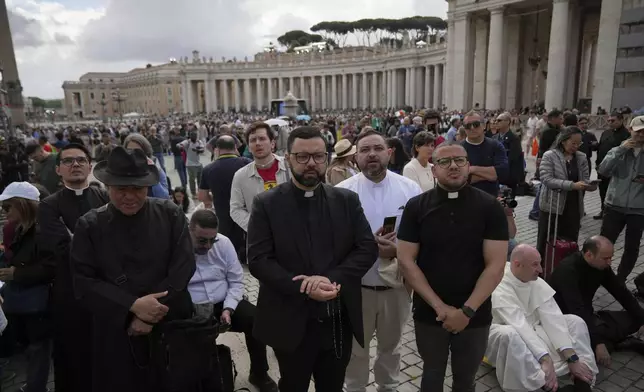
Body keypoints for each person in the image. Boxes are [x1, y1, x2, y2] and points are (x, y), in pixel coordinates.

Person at [247, 126, 378, 392]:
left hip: (336, 317)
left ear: (327, 158)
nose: (311, 164)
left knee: (332, 385)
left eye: (318, 157)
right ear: (287, 158)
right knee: (293, 385)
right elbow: (259, 260)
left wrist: (330, 280)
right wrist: (305, 287)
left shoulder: (346, 200)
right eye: (302, 157)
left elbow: (367, 248)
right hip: (289, 319)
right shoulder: (266, 203)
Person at [70, 147, 196, 392]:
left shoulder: (170, 213)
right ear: (108, 188)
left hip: (169, 322)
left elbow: (183, 266)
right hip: (116, 328)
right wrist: (132, 306)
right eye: (120, 190)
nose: (129, 197)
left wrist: (149, 313)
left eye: (136, 189)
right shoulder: (89, 226)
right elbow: (84, 282)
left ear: (147, 187)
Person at [396, 141, 509, 392]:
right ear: (433, 170)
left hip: (475, 313)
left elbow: (496, 265)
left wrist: (466, 311)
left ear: (469, 166)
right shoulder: (416, 206)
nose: (453, 166)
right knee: (432, 375)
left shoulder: (489, 207)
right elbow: (405, 260)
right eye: (445, 162)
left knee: (466, 380)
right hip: (429, 312)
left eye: (460, 160)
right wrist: (440, 307)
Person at [337, 130, 422, 392]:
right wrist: (365, 248)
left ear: (389, 152)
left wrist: (396, 252)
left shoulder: (410, 190)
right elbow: (332, 243)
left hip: (395, 288)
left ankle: (389, 388)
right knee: (356, 350)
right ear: (355, 157)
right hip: (356, 288)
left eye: (377, 148)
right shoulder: (341, 192)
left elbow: (422, 238)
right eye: (364, 150)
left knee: (392, 348)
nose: (371, 154)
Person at [38, 143, 109, 392]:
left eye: (81, 160)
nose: (75, 164)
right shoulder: (48, 206)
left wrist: (76, 239)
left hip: (106, 291)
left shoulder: (103, 196)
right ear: (58, 170)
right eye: (68, 161)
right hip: (71, 293)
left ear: (90, 166)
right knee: (75, 357)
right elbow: (61, 250)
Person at [187, 210, 278, 392]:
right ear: (189, 231)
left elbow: (236, 280)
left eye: (212, 240)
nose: (208, 246)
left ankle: (259, 373)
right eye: (202, 240)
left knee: (256, 319)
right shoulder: (176, 246)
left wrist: (229, 308)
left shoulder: (224, 243)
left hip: (223, 302)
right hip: (191, 307)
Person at [486, 244, 597, 392]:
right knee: (510, 334)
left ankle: (582, 376)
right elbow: (518, 324)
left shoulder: (531, 278)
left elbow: (552, 316)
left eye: (540, 263)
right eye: (535, 265)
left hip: (535, 329)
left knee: (575, 321)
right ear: (517, 265)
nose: (541, 270)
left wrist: (570, 356)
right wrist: (544, 358)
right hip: (504, 333)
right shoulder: (499, 284)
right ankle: (542, 383)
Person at [550, 236, 644, 367]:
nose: (610, 262)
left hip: (589, 319)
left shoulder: (601, 267)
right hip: (568, 323)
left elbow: (621, 292)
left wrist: (641, 319)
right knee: (593, 344)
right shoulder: (567, 271)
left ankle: (610, 341)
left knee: (635, 318)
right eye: (606, 258)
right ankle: (608, 342)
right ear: (589, 254)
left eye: (611, 257)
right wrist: (598, 342)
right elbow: (577, 311)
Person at [0, 182, 53, 392]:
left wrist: (16, 273)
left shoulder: (42, 230)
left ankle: (35, 386)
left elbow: (52, 266)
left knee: (39, 347)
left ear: (23, 206)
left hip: (38, 302)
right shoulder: (20, 228)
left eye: (7, 208)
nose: (5, 213)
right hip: (29, 300)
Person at [597, 115, 644, 292]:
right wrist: (620, 150)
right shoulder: (619, 150)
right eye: (638, 132)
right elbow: (603, 170)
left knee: (632, 247)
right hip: (614, 205)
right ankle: (600, 275)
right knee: (603, 244)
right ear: (630, 130)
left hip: (638, 209)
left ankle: (620, 280)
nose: (641, 136)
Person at [536, 127, 595, 261]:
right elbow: (546, 179)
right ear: (563, 141)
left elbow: (585, 178)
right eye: (573, 143)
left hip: (573, 205)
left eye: (579, 143)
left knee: (570, 242)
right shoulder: (550, 155)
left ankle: (566, 271)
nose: (576, 146)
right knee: (546, 241)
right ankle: (542, 271)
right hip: (552, 206)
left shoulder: (581, 157)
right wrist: (572, 185)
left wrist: (590, 185)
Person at [230, 122, 290, 232]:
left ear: (272, 143)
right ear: (248, 147)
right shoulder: (240, 176)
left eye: (262, 138)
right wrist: (256, 227)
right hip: (260, 237)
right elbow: (236, 209)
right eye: (253, 140)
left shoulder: (290, 167)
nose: (258, 143)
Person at [199, 136, 251, 261]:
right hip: (246, 215)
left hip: (223, 215)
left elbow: (202, 197)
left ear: (217, 149)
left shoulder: (208, 169)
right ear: (235, 148)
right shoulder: (247, 163)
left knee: (228, 248)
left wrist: (215, 196)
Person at [460, 111, 509, 197]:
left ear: (483, 126)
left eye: (476, 124)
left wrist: (472, 169)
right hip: (464, 198)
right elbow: (459, 178)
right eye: (467, 126)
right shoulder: (458, 149)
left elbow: (503, 173)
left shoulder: (496, 146)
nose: (472, 128)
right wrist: (491, 175)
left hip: (490, 198)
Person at [594, 111, 630, 220]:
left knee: (615, 191)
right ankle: (603, 210)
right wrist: (597, 163)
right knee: (602, 189)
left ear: (621, 120)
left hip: (617, 169)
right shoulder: (606, 133)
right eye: (609, 120)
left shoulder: (627, 135)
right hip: (603, 167)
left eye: (613, 120)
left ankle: (614, 213)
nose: (610, 123)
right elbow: (600, 148)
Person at [123, 133, 170, 199]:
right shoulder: (122, 169)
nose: (133, 154)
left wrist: (152, 174)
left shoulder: (155, 167)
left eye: (138, 150)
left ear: (145, 151)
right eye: (129, 150)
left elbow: (164, 197)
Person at [493, 112, 524, 194]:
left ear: (508, 122)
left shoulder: (514, 139)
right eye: (495, 120)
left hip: (509, 177)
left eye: (499, 120)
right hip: (496, 176)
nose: (496, 122)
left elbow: (513, 158)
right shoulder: (494, 138)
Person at [178, 131, 205, 198]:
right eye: (193, 136)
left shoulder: (199, 142)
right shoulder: (187, 142)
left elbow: (202, 149)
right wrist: (181, 147)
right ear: (190, 136)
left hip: (198, 163)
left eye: (195, 136)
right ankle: (193, 194)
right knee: (192, 180)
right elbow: (179, 145)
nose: (194, 138)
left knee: (200, 179)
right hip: (190, 164)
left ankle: (200, 192)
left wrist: (198, 150)